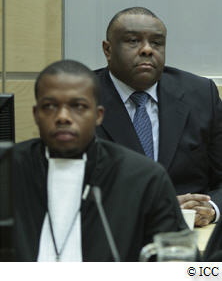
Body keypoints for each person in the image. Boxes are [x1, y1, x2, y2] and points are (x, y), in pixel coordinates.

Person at [12, 60, 186, 262]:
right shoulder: (8, 170)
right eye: (50, 106)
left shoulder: (143, 178)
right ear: (36, 114)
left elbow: (187, 268)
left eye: (78, 106)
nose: (63, 117)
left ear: (98, 115)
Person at [95, 7, 222, 227]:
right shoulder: (80, 100)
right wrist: (158, 210)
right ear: (108, 50)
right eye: (133, 41)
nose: (147, 50)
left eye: (156, 43)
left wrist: (211, 208)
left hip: (191, 236)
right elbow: (66, 193)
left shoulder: (201, 94)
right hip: (114, 234)